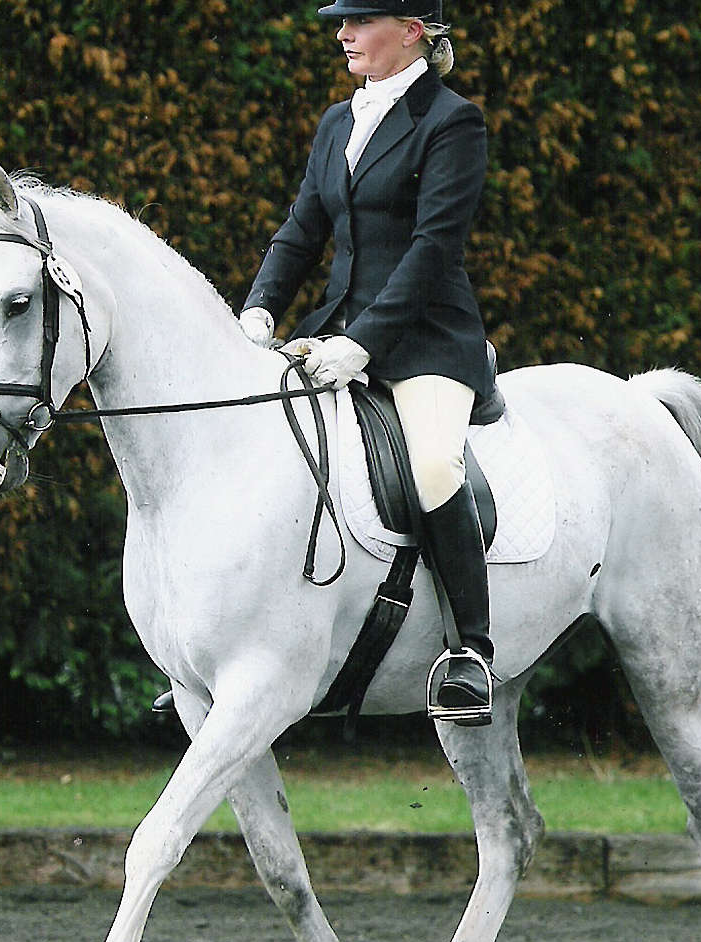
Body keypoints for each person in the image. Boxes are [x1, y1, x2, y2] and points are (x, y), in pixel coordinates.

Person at [239, 0, 496, 724]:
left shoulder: (451, 122)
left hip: (427, 341)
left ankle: (470, 648)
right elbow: (301, 228)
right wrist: (259, 307)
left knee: (434, 468)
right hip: (333, 333)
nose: (342, 34)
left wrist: (365, 342)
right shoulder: (337, 122)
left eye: (360, 21)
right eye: (341, 22)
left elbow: (433, 249)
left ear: (413, 30)